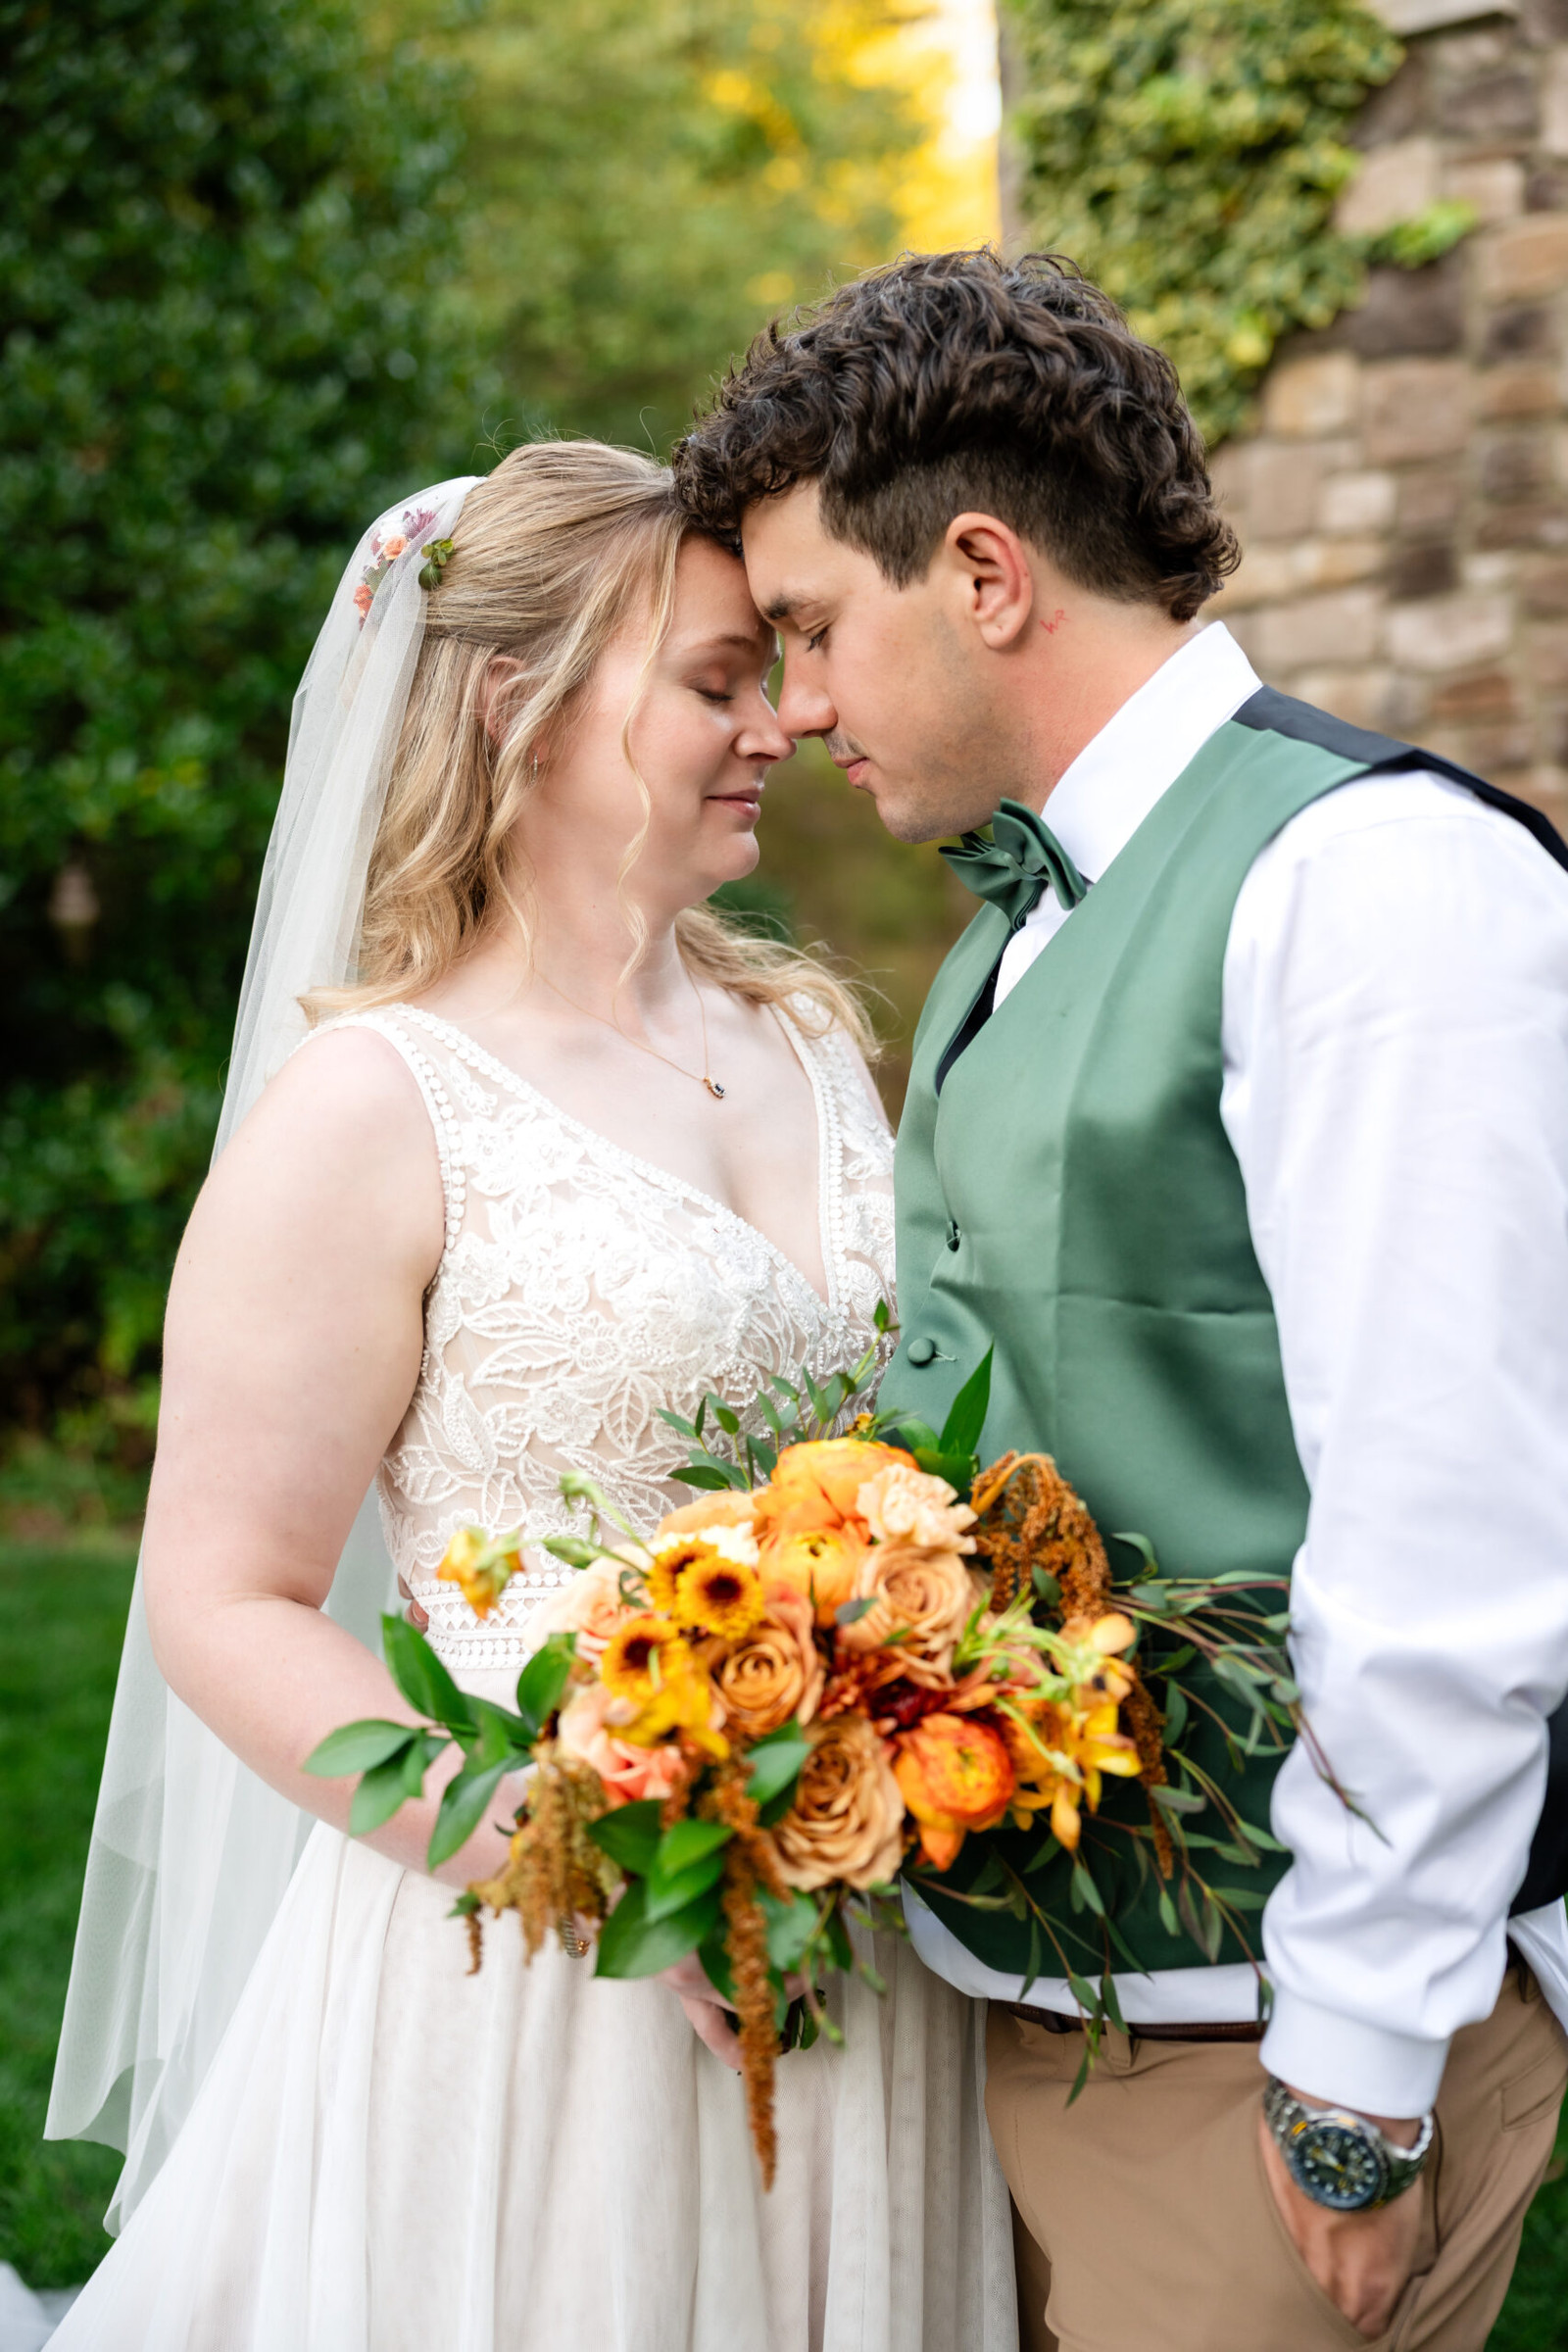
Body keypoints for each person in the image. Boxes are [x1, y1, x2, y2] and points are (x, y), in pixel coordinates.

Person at [672, 248, 1568, 2351]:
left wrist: (1350, 2080)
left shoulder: (1371, 893)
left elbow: (1449, 1539)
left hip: (1258, 2044)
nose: (790, 711)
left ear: (979, 572)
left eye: (807, 630)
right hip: (1044, 2001)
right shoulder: (1015, 924)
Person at [45, 440, 1017, 2351]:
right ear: (522, 701)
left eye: (779, 670)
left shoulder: (811, 1039)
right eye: (716, 678)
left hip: (865, 1932)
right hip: (543, 1975)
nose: (783, 720)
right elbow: (218, 1600)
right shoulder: (369, 1107)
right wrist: (582, 1860)